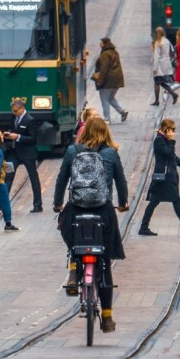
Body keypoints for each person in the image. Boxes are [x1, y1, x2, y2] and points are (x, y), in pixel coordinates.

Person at [53, 117, 128, 332]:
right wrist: (123, 203)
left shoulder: (72, 151)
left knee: (70, 236)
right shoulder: (111, 153)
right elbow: (121, 182)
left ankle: (74, 269)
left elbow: (61, 180)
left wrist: (58, 203)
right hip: (103, 211)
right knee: (104, 261)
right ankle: (107, 316)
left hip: (76, 209)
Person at [140, 119, 180, 236]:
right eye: (172, 129)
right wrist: (172, 141)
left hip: (167, 176)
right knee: (174, 200)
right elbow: (168, 153)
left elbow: (173, 157)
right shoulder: (159, 140)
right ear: (166, 129)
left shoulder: (164, 140)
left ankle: (143, 227)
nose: (173, 132)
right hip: (165, 177)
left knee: (155, 201)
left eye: (174, 129)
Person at [5, 98, 43, 212]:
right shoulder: (14, 117)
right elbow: (12, 128)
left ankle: (38, 205)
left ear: (22, 108)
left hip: (28, 154)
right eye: (13, 111)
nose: (14, 113)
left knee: (33, 178)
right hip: (15, 153)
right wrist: (8, 133)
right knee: (8, 176)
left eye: (16, 111)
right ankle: (3, 202)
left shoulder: (30, 120)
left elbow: (33, 139)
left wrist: (18, 137)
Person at [92, 38, 129, 123]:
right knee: (110, 98)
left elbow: (103, 69)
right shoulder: (115, 52)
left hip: (108, 80)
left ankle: (107, 118)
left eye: (101, 43)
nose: (100, 45)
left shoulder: (105, 54)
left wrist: (100, 80)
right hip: (116, 80)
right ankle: (122, 111)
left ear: (105, 44)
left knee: (104, 98)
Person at [151, 27, 178, 105]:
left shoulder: (158, 42)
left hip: (160, 65)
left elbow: (156, 56)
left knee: (157, 82)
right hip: (166, 64)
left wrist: (155, 68)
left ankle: (159, 100)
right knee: (160, 82)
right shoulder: (167, 41)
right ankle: (171, 94)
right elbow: (172, 52)